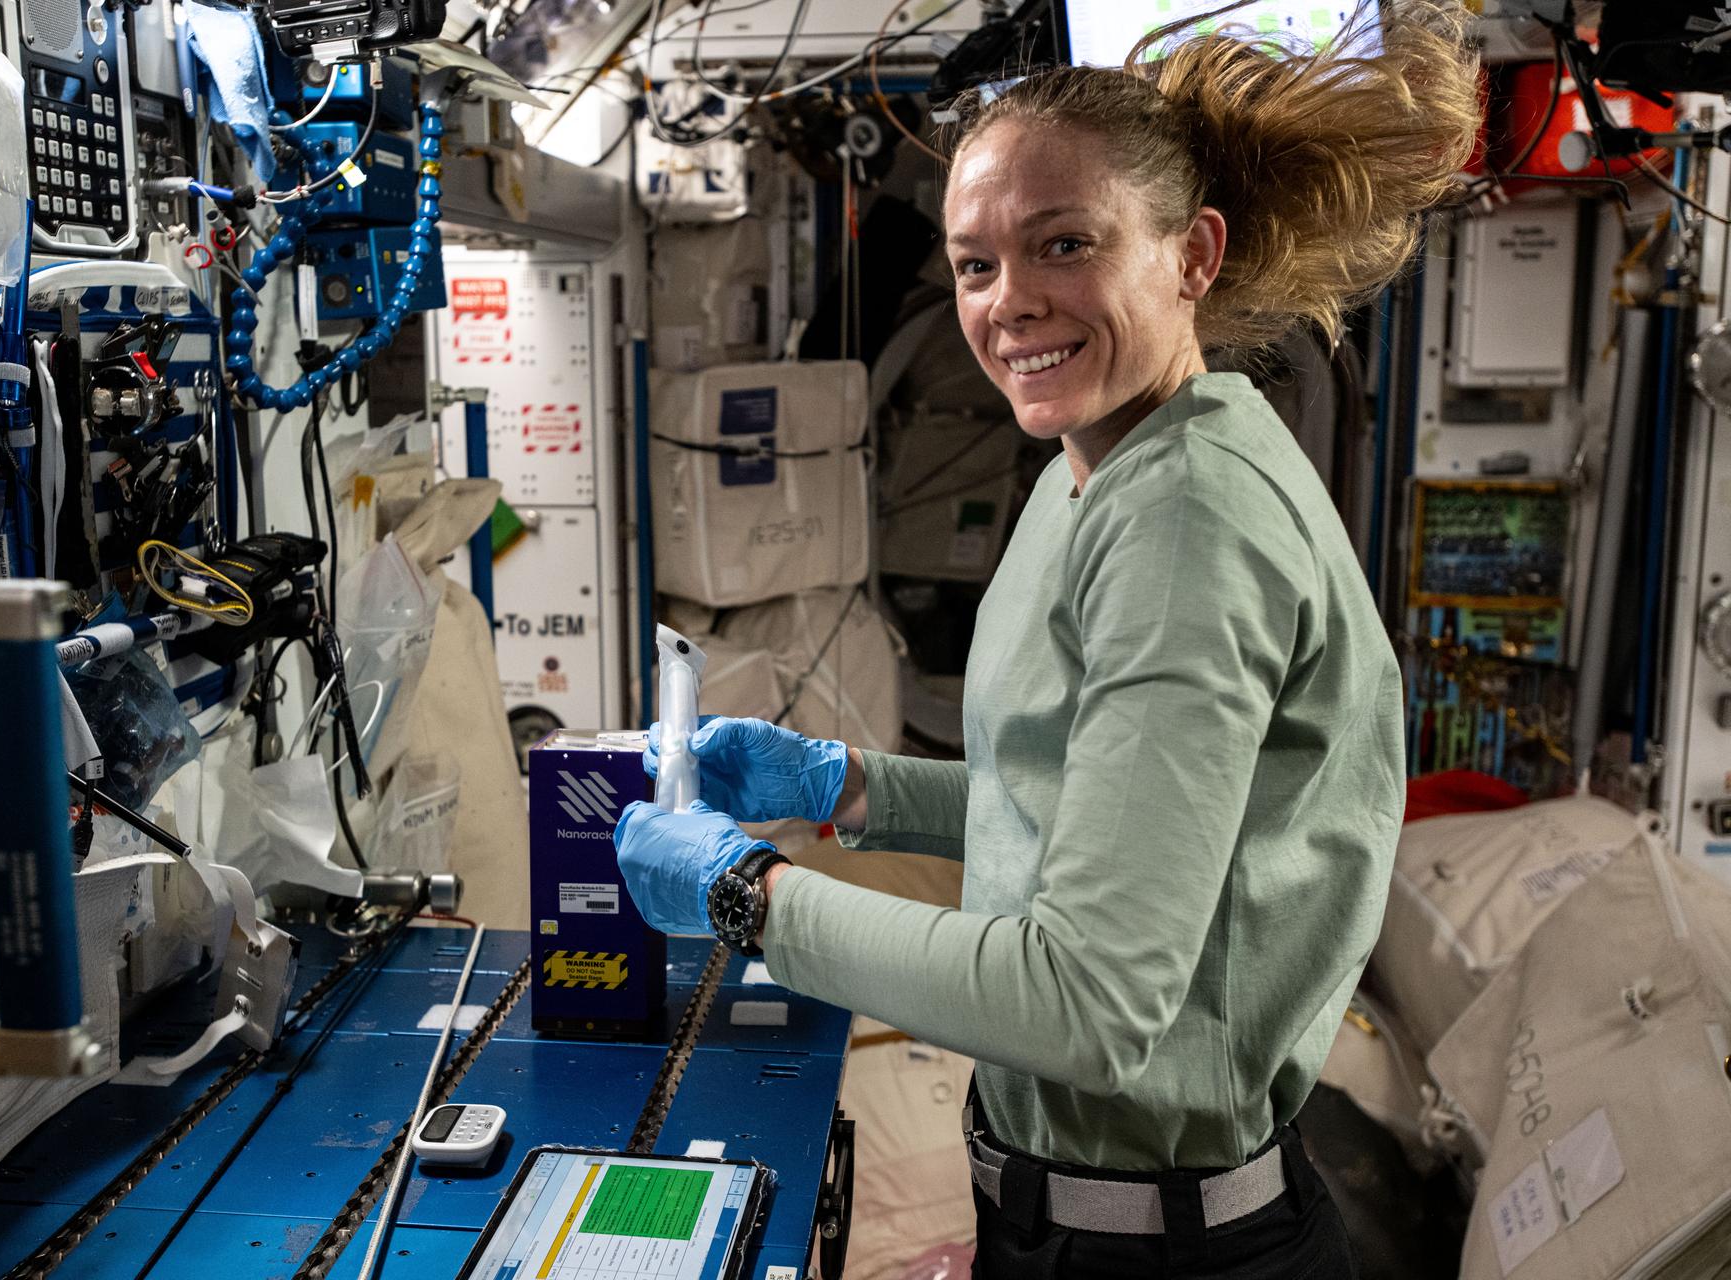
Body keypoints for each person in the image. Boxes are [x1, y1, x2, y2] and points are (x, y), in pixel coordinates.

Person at [613, 4, 1479, 1276]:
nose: (1009, 302)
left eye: (1063, 243)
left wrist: (750, 899)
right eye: (974, 264)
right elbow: (1092, 806)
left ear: (1192, 256)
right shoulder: (1098, 470)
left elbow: (1088, 998)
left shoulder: (1187, 520)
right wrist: (850, 786)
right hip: (1071, 1217)